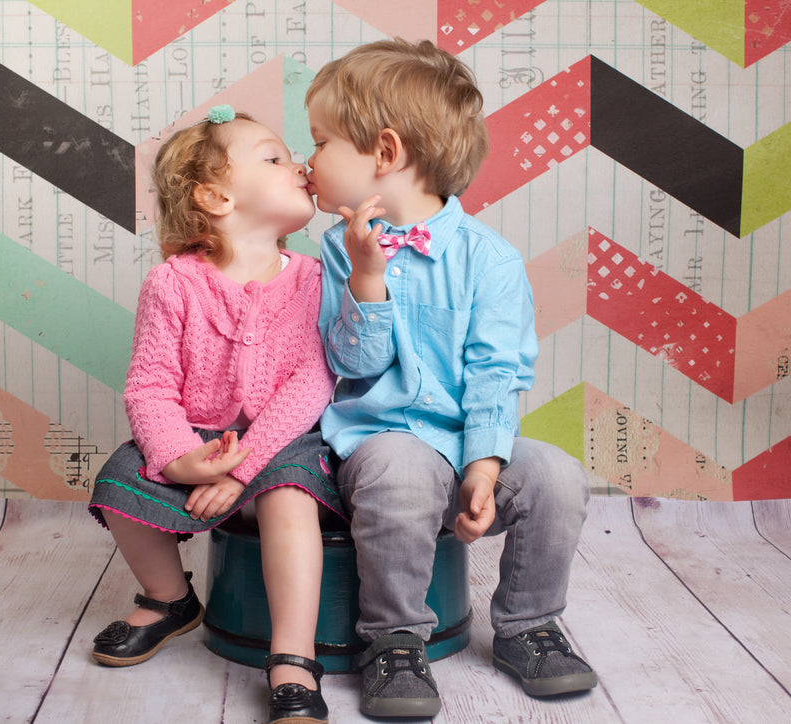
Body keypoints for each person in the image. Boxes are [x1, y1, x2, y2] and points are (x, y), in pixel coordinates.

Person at [305, 39, 598, 718]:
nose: (308, 160)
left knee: (557, 476)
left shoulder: (490, 260)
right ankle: (395, 639)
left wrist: (485, 466)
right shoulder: (338, 249)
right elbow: (350, 364)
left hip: (470, 438)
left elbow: (497, 372)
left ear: (384, 152)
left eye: (320, 142)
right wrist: (368, 277)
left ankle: (529, 624)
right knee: (401, 472)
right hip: (380, 441)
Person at [88, 105, 340, 724]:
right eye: (275, 158)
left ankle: (293, 655)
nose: (300, 166)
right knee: (120, 479)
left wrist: (243, 467)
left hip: (285, 439)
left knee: (289, 499)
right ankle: (169, 598)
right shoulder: (172, 283)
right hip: (196, 437)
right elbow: (150, 385)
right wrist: (180, 458)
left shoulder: (314, 278)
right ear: (217, 197)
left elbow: (313, 381)